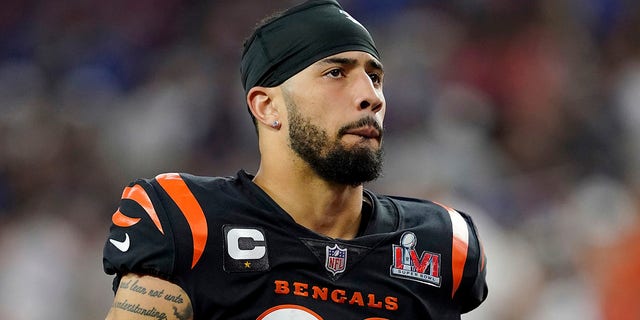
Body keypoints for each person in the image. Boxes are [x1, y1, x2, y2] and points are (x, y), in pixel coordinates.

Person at [102, 0, 488, 319]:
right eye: (336, 72)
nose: (371, 96)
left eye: (375, 78)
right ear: (267, 106)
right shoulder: (186, 220)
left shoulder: (441, 244)